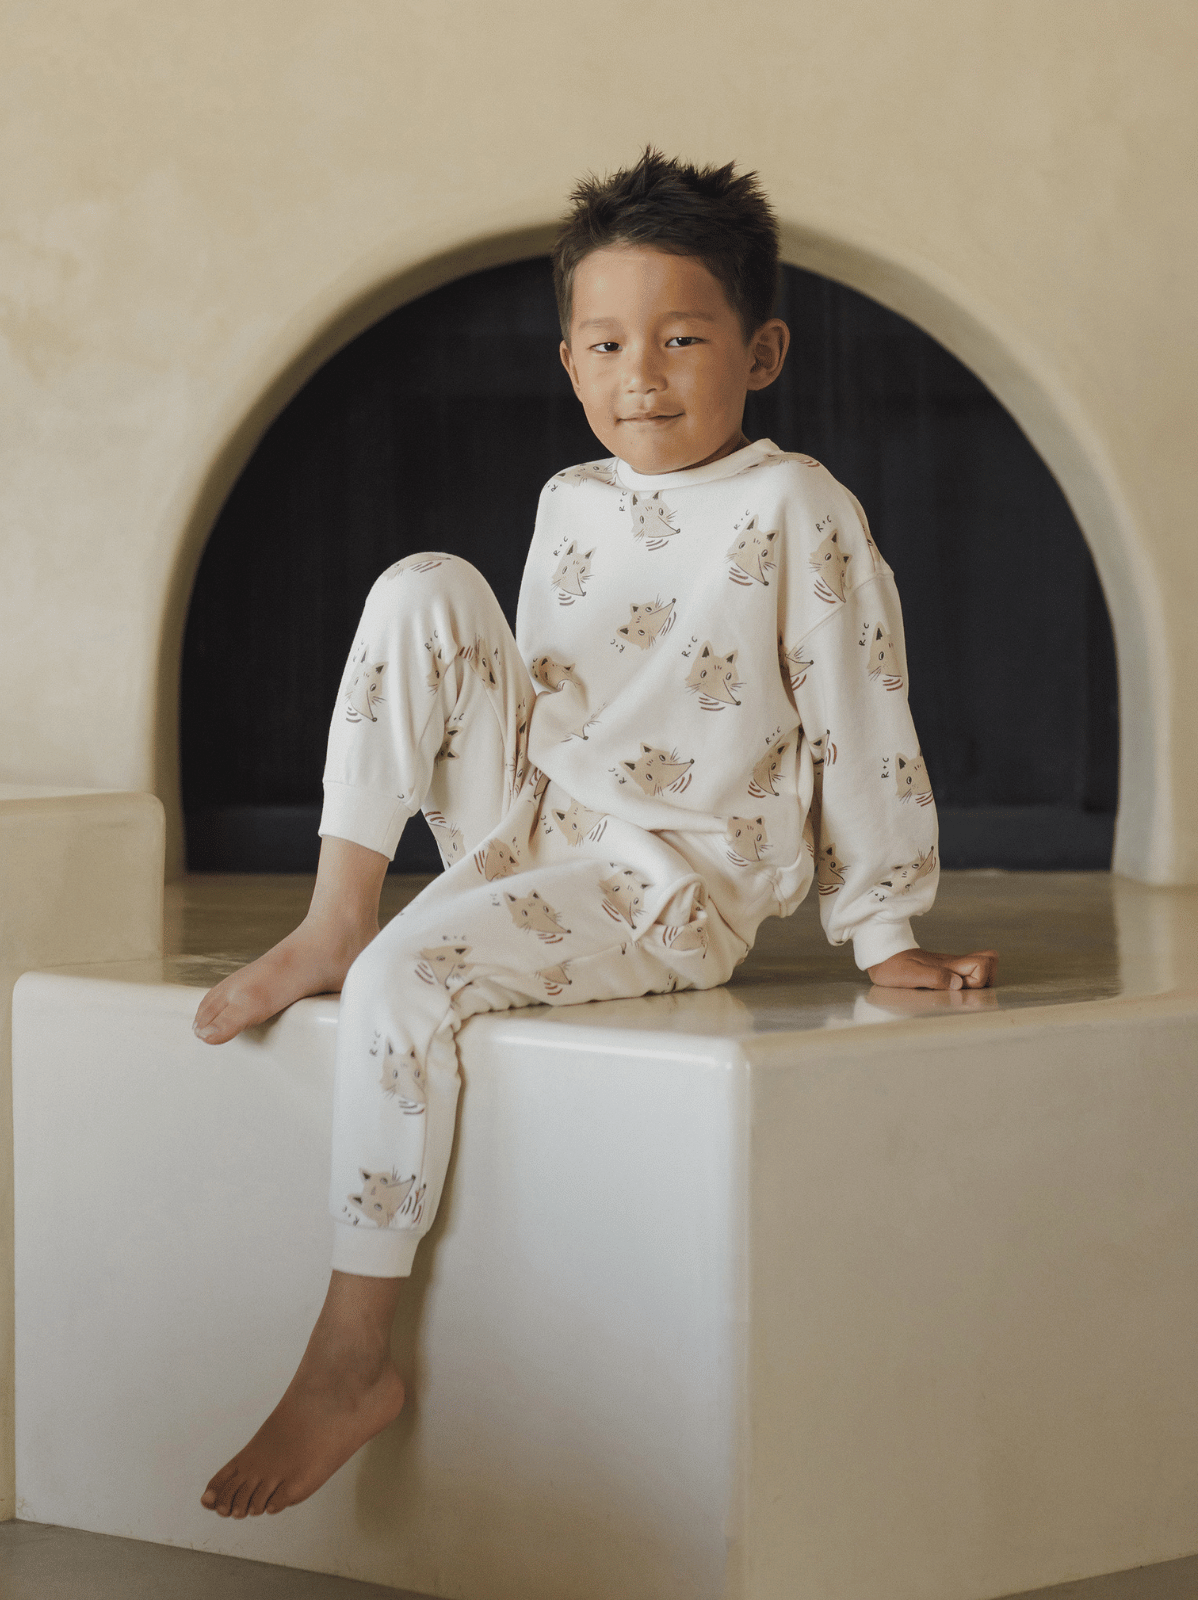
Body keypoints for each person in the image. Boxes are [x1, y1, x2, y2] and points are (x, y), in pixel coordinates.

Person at [194, 148, 998, 1520]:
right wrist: (503, 817)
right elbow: (555, 702)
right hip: (536, 822)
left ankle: (350, 1351)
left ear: (761, 353)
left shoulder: (795, 509)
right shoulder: (569, 497)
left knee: (407, 981)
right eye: (609, 344)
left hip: (665, 882)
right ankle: (335, 913)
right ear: (568, 362)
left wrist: (884, 932)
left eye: (683, 339)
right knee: (420, 584)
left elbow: (858, 709)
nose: (643, 376)